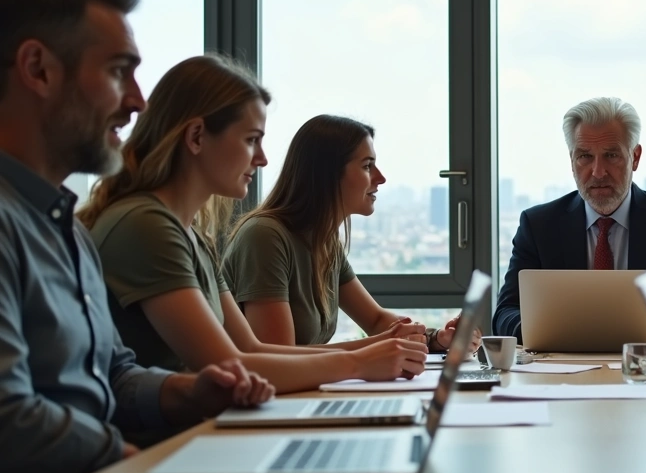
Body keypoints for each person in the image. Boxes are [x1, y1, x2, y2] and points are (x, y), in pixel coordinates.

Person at [0, 0, 274, 473]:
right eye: (118, 71)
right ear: (38, 69)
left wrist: (188, 391)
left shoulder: (65, 230)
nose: (138, 101)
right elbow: (8, 418)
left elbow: (111, 375)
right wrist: (129, 459)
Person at [77, 55, 428, 394]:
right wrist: (358, 363)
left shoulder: (192, 236)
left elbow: (251, 349)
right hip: (163, 442)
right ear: (197, 137)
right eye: (251, 140)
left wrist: (373, 352)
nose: (261, 159)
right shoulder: (146, 225)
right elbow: (230, 364)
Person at [224, 114, 478, 352]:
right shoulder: (265, 236)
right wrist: (373, 351)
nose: (381, 178)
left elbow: (377, 320)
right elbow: (280, 358)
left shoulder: (324, 241)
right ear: (328, 174)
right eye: (368, 166)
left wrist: (437, 339)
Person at [492, 97, 646, 343]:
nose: (598, 171)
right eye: (585, 156)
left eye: (611, 155)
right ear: (572, 161)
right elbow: (505, 313)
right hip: (562, 370)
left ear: (635, 157)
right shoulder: (539, 225)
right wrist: (543, 330)